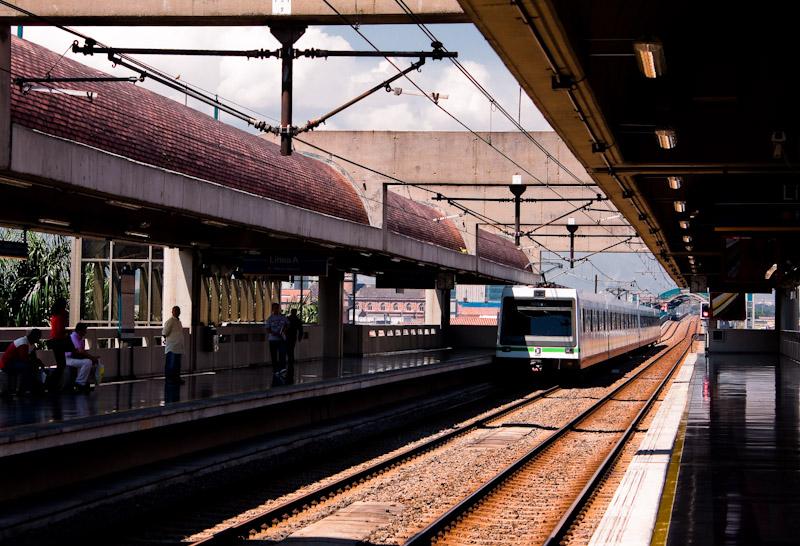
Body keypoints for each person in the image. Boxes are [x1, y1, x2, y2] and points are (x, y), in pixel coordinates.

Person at [0, 329, 43, 396]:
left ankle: (31, 388)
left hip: (15, 362)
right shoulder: (23, 343)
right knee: (27, 368)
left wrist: (38, 362)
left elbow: (32, 357)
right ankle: (22, 390)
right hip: (7, 364)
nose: (39, 340)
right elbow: (24, 359)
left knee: (31, 366)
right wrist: (35, 362)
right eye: (38, 337)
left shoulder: (30, 344)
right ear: (33, 337)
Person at [66, 323, 99, 393]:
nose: (85, 332)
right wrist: (92, 358)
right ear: (79, 330)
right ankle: (80, 383)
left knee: (90, 363)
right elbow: (80, 351)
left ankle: (85, 382)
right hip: (68, 359)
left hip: (74, 358)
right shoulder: (74, 337)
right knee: (88, 362)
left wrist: (92, 358)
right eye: (84, 330)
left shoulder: (80, 338)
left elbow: (81, 352)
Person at [47, 297, 70, 391]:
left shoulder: (54, 316)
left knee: (61, 364)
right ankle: (51, 383)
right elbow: (60, 330)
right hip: (59, 342)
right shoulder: (60, 316)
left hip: (55, 341)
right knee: (61, 365)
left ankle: (53, 384)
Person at [266, 303, 289, 381]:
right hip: (272, 339)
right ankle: (275, 369)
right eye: (275, 308)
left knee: (282, 353)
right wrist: (274, 333)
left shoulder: (283, 317)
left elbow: (287, 325)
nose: (276, 309)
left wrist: (283, 332)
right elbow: (268, 329)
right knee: (274, 355)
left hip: (281, 339)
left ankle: (282, 368)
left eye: (277, 308)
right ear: (272, 309)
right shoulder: (269, 319)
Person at [162, 306, 185, 384]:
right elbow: (165, 332)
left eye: (178, 311)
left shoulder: (179, 322)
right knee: (171, 364)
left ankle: (176, 378)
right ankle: (170, 379)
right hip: (172, 347)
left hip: (178, 347)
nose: (177, 312)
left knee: (177, 365)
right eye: (175, 311)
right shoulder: (170, 321)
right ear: (172, 312)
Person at [285, 308, 303, 384]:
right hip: (293, 336)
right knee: (291, 348)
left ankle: (290, 360)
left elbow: (284, 327)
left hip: (288, 336)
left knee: (289, 349)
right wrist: (299, 337)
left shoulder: (288, 319)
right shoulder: (297, 320)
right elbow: (301, 329)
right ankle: (291, 361)